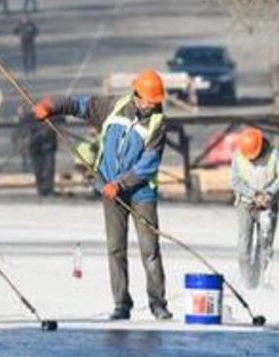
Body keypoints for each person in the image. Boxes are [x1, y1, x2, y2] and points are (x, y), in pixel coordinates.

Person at [33, 70, 171, 320]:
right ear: (137, 96)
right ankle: (121, 303)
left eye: (157, 101)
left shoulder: (158, 123)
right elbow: (78, 106)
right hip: (108, 188)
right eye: (152, 100)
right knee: (115, 248)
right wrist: (50, 106)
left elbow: (148, 165)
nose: (155, 105)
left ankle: (158, 303)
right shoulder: (114, 106)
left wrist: (121, 184)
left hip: (141, 193)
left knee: (149, 250)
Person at [229, 128, 279, 288]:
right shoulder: (239, 156)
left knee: (265, 244)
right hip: (246, 203)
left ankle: (259, 278)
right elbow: (235, 181)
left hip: (268, 204)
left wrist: (270, 193)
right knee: (244, 245)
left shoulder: (274, 155)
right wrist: (253, 195)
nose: (252, 160)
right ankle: (246, 280)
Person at [25, 111, 58, 197]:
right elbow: (25, 123)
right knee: (38, 170)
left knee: (48, 170)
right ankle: (41, 189)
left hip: (48, 147)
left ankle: (48, 189)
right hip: (36, 148)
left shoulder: (52, 117)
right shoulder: (31, 118)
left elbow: (61, 120)